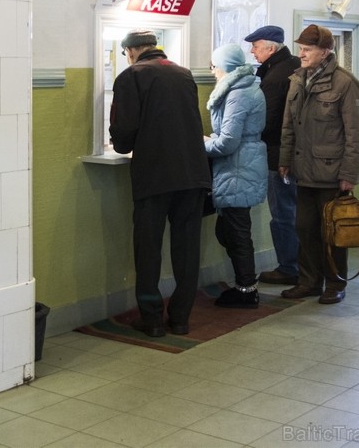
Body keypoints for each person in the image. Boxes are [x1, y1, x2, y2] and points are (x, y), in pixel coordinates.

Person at [109, 29, 212, 336]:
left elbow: (123, 135)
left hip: (154, 175)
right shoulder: (184, 74)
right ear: (155, 47)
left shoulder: (131, 76)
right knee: (187, 249)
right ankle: (180, 318)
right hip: (193, 173)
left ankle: (152, 319)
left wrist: (121, 144)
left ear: (130, 52)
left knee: (149, 249)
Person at [278, 24, 359, 304]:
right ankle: (309, 281)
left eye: (307, 50)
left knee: (331, 231)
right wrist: (284, 160)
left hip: (332, 173)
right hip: (303, 171)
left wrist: (349, 175)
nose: (301, 54)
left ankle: (334, 284)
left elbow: (355, 134)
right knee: (304, 228)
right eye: (300, 49)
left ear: (325, 52)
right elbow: (288, 126)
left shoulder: (345, 83)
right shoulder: (297, 79)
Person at [205, 44, 268, 309]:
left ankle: (246, 290)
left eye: (213, 66)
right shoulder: (245, 87)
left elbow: (227, 143)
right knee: (230, 230)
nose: (212, 71)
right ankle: (245, 285)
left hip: (238, 167)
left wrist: (200, 143)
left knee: (237, 232)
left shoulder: (237, 94)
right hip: (241, 165)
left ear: (224, 67)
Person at [245, 25, 301, 286]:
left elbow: (268, 120)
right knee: (295, 211)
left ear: (271, 48)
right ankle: (301, 265)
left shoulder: (275, 77)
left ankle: (289, 267)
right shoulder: (293, 66)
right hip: (295, 153)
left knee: (282, 213)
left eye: (256, 47)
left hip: (278, 155)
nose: (252, 52)